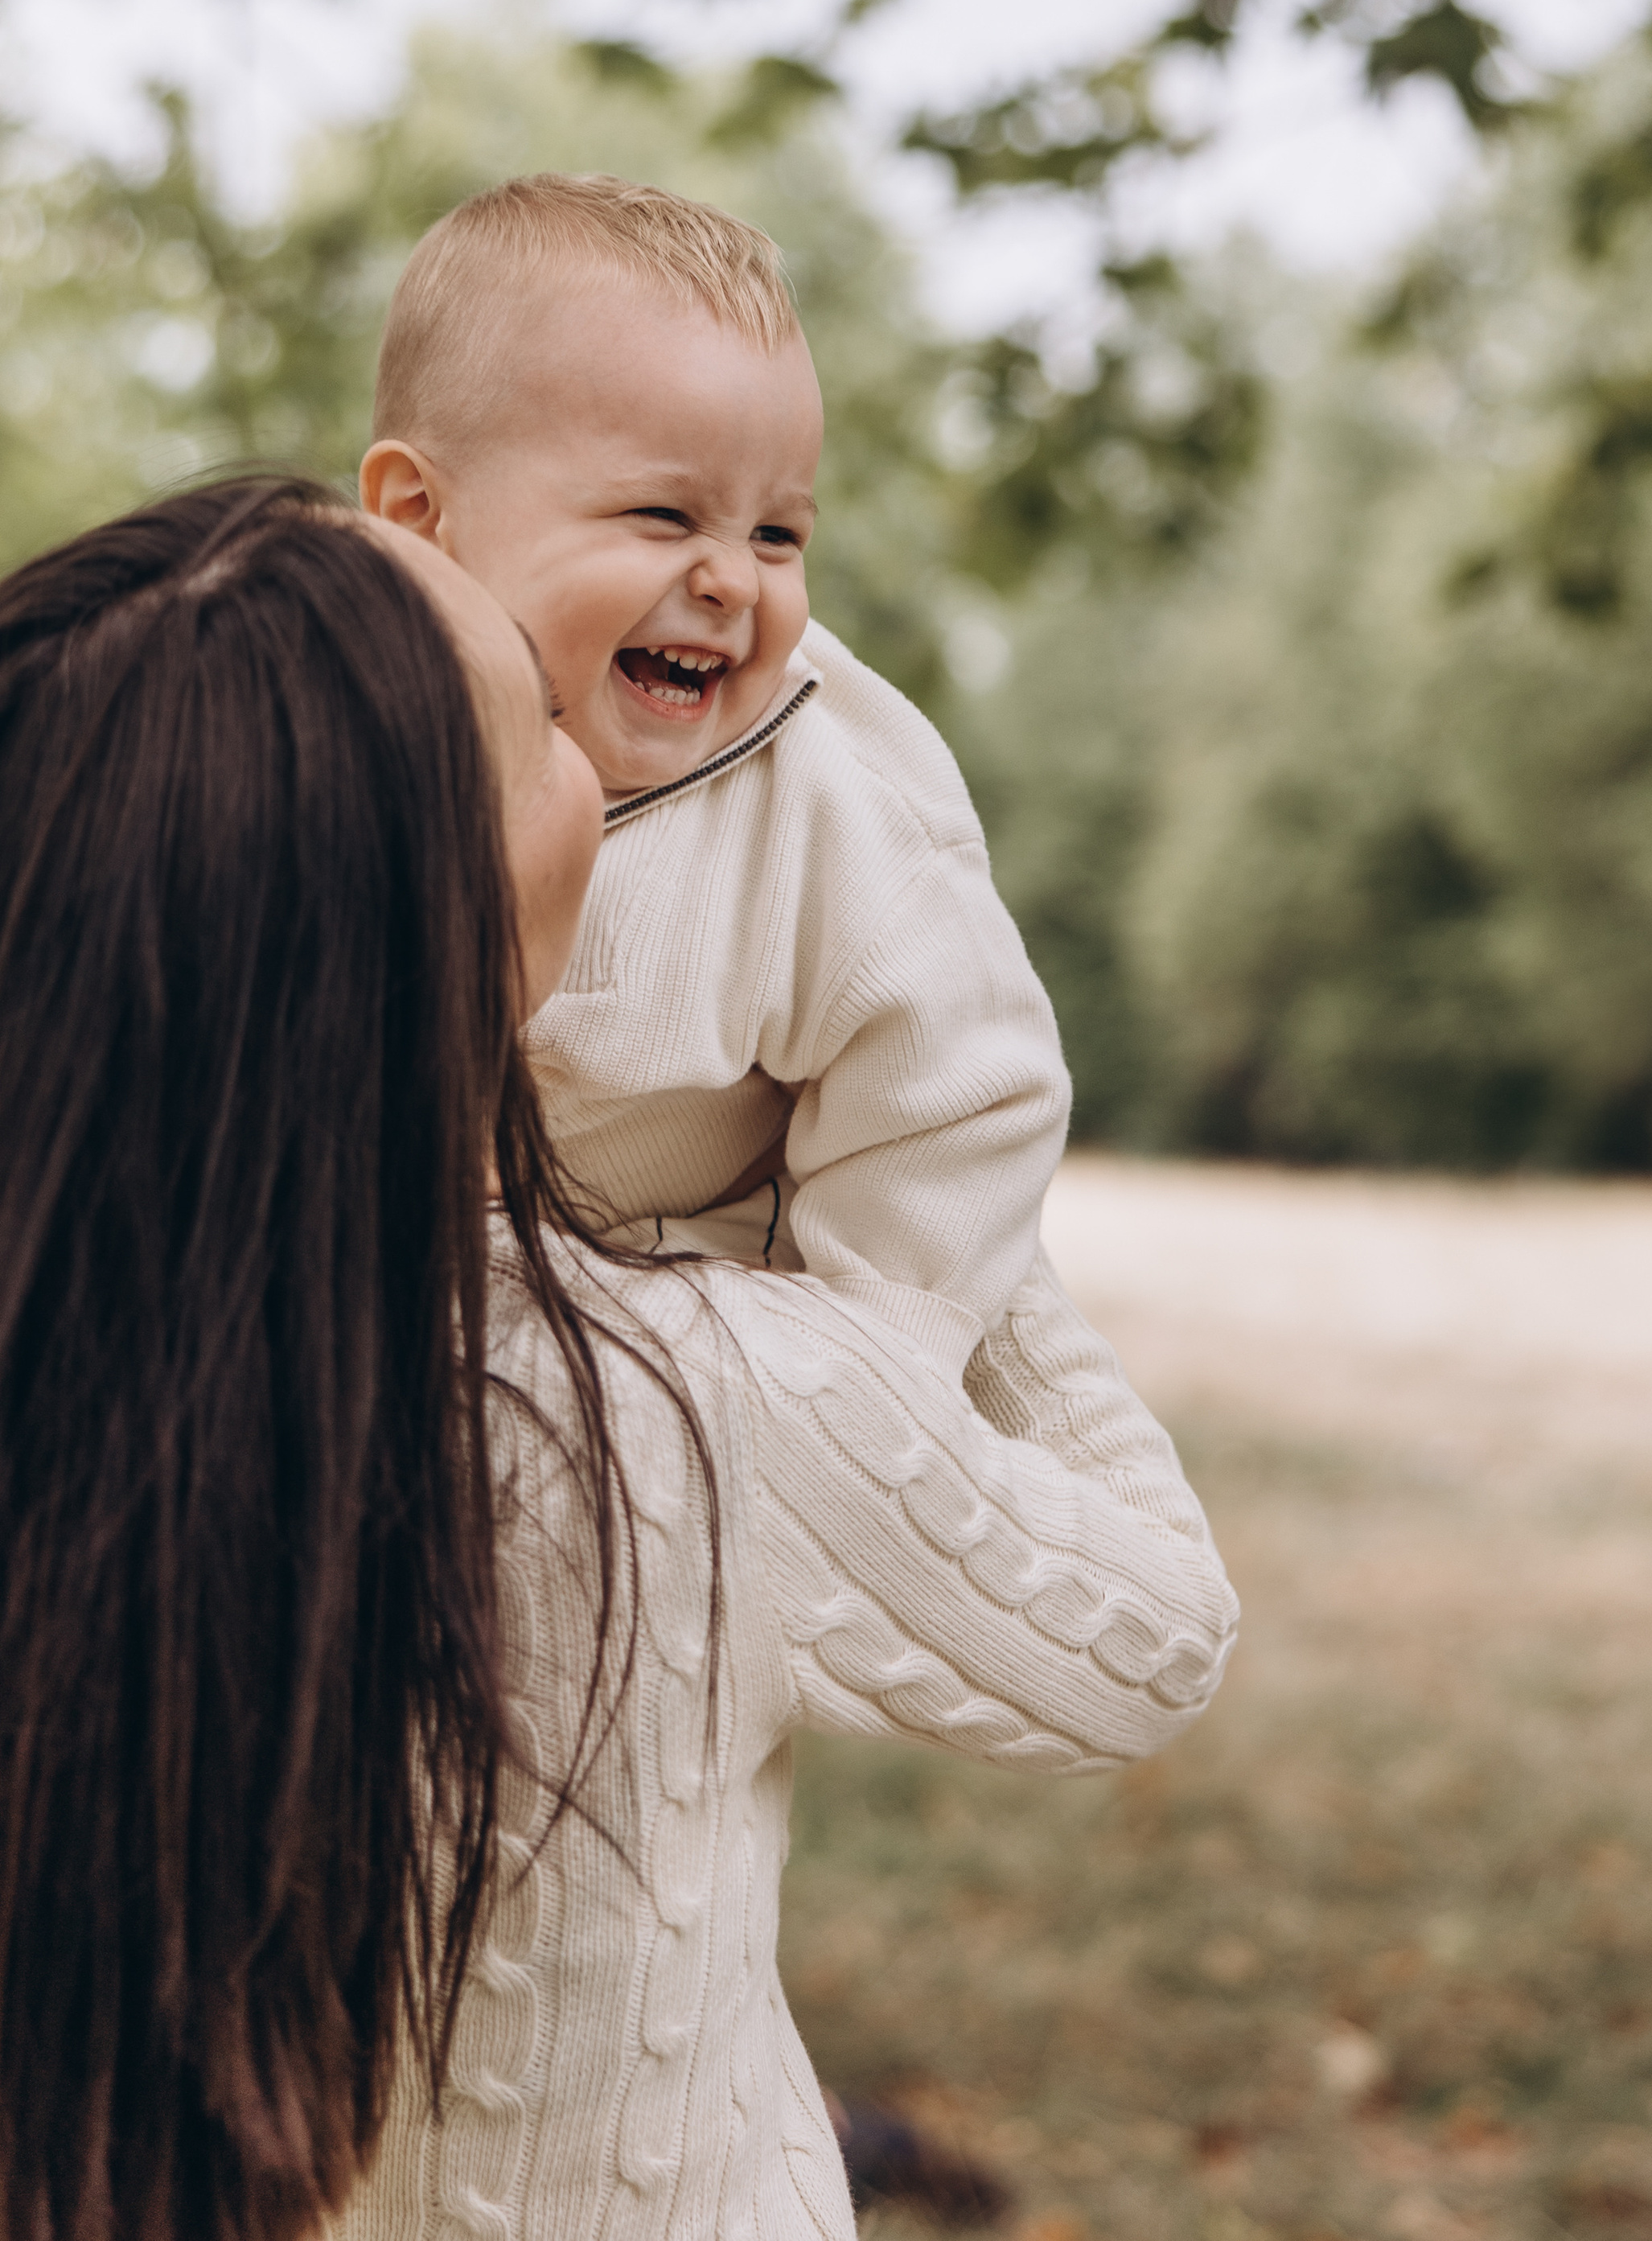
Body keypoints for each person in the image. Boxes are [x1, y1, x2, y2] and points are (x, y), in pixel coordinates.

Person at [0, 475, 1236, 2241]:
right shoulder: (677, 1402)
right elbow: (1156, 1632)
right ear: (437, 906)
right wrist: (937, 1166)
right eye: (536, 722)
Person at [355, 172, 1132, 1396]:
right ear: (419, 517)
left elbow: (962, 1096)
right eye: (664, 515)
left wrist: (864, 1366)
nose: (732, 580)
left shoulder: (832, 802)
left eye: (779, 535)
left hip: (733, 1346)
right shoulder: (328, 735)